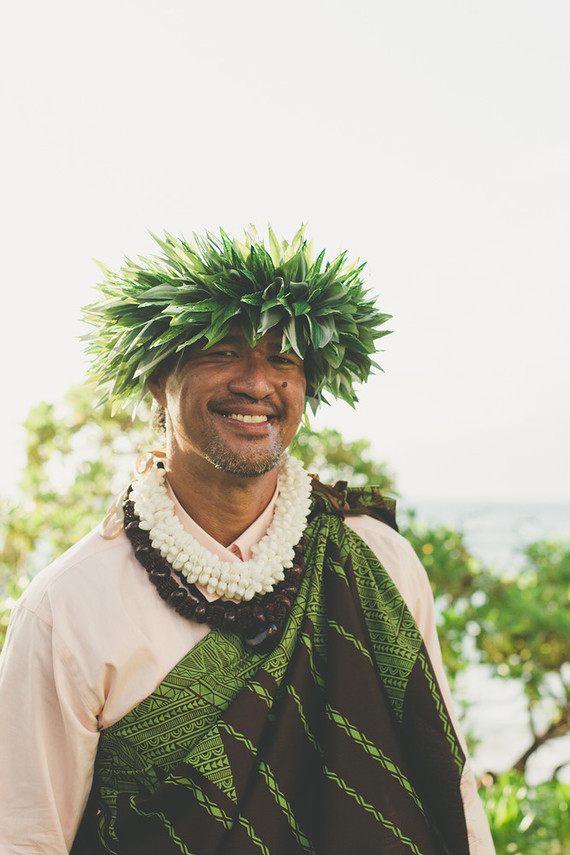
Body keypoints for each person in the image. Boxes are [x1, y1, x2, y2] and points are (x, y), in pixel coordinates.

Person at [0, 226, 495, 854]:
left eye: (283, 360)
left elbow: (446, 781)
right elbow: (26, 836)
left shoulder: (377, 559)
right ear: (158, 380)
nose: (257, 383)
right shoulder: (69, 605)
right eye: (223, 352)